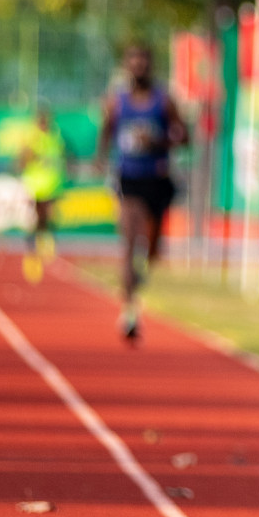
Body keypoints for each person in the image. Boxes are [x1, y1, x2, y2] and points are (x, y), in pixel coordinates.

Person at [96, 43, 189, 341]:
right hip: (129, 179)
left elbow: (184, 135)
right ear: (127, 67)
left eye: (143, 63)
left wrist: (159, 142)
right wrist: (100, 157)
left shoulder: (163, 101)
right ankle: (129, 312)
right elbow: (107, 130)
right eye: (133, 63)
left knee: (152, 247)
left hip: (157, 180)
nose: (138, 68)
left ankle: (144, 265)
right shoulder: (117, 101)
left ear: (150, 67)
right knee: (128, 240)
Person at [17, 101, 66, 283]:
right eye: (41, 120)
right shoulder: (32, 137)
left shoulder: (56, 137)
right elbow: (22, 159)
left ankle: (46, 242)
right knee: (35, 219)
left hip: (52, 185)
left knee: (49, 216)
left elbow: (61, 157)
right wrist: (31, 156)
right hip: (35, 185)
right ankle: (31, 253)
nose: (44, 123)